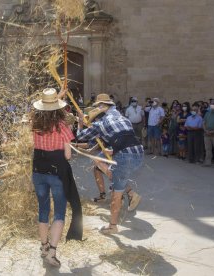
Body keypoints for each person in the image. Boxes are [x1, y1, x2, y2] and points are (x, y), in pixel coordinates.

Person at [77, 93, 143, 235]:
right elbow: (125, 139)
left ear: (101, 108)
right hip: (138, 153)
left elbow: (80, 136)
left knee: (116, 193)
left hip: (125, 157)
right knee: (99, 160)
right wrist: (112, 151)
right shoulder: (124, 119)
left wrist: (80, 123)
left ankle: (112, 226)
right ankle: (129, 191)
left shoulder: (101, 124)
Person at [32, 88, 80, 267]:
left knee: (43, 209)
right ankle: (52, 252)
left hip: (38, 171)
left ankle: (43, 247)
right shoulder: (62, 126)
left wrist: (55, 97)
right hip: (57, 173)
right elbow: (67, 156)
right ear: (58, 108)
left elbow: (37, 111)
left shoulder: (35, 124)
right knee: (59, 212)